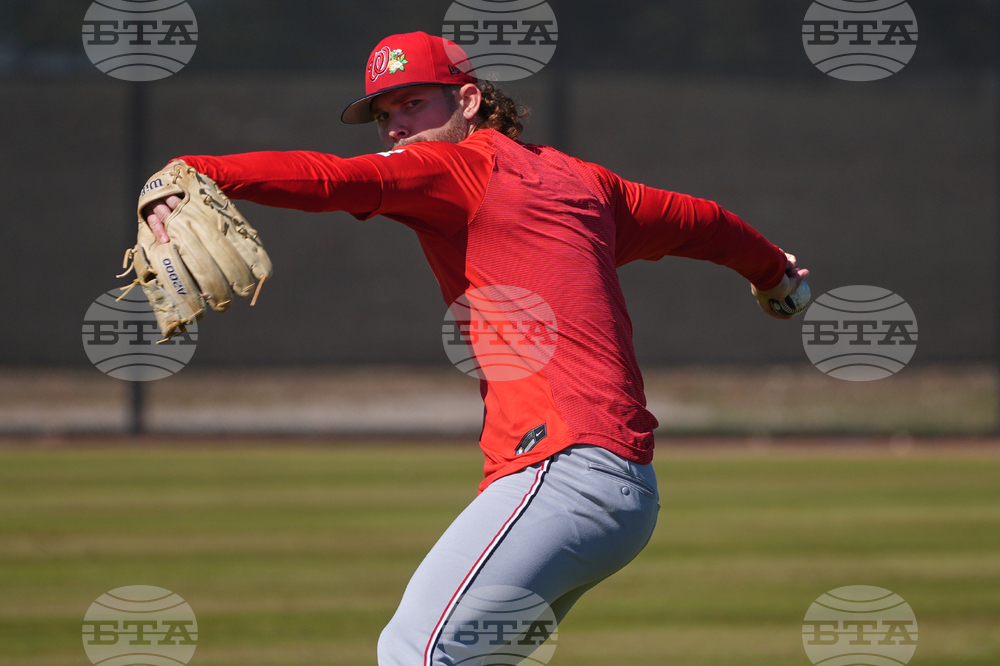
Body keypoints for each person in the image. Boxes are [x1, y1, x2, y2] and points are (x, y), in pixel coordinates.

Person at [143, 31, 808, 666]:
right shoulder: (587, 186)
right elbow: (707, 222)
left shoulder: (456, 165)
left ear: (468, 101)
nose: (398, 126)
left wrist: (195, 172)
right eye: (385, 114)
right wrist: (775, 276)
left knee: (419, 652)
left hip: (563, 469)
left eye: (413, 102)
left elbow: (333, 178)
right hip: (621, 491)